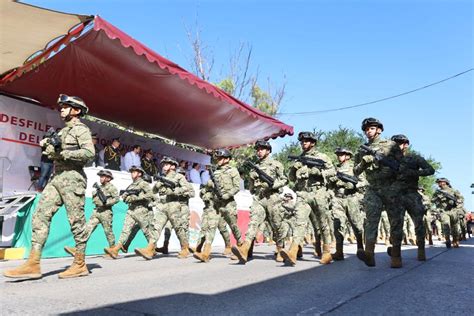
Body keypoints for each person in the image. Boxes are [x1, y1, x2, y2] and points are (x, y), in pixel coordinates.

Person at [4, 94, 94, 280]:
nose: (61, 109)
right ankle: (33, 263)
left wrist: (62, 152)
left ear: (76, 110)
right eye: (60, 106)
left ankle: (80, 263)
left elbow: (88, 154)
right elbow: (54, 152)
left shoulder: (81, 130)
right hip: (57, 177)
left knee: (76, 221)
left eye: (65, 106)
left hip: (73, 178)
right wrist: (48, 146)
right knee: (41, 215)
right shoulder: (62, 132)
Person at [353, 118, 403, 268]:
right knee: (371, 221)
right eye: (367, 129)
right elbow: (355, 171)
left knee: (395, 222)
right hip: (373, 188)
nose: (369, 131)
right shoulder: (362, 149)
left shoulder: (391, 145)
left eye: (372, 128)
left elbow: (402, 165)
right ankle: (369, 254)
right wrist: (364, 163)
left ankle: (396, 255)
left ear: (379, 130)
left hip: (390, 187)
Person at [232, 140, 287, 264]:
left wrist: (273, 185)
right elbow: (251, 189)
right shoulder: (255, 167)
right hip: (259, 198)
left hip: (273, 198)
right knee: (253, 222)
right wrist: (252, 180)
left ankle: (280, 249)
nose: (259, 151)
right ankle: (244, 249)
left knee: (277, 225)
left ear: (268, 151)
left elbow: (284, 179)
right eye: (258, 149)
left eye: (262, 149)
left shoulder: (276, 164)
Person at [288, 131, 336, 265]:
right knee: (299, 222)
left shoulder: (322, 157)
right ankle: (293, 251)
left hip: (318, 193)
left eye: (307, 141)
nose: (304, 143)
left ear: (313, 143)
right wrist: (293, 168)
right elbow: (291, 178)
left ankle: (326, 252)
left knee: (323, 223)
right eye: (302, 141)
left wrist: (320, 173)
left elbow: (333, 172)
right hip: (303, 193)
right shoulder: (299, 159)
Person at [135, 157, 195, 260]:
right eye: (163, 165)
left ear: (172, 166)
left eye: (166, 164)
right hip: (162, 205)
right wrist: (157, 184)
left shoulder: (179, 176)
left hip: (174, 205)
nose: (164, 166)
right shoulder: (162, 177)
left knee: (178, 228)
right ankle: (150, 249)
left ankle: (185, 248)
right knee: (155, 227)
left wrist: (174, 191)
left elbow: (188, 189)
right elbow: (153, 191)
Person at [192, 149, 243, 261]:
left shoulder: (233, 170)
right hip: (216, 204)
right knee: (211, 227)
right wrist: (209, 187)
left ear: (227, 159)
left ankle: (241, 247)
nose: (218, 160)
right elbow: (211, 188)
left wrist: (227, 195)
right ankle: (206, 253)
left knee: (233, 226)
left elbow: (236, 187)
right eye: (218, 158)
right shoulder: (215, 172)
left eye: (221, 158)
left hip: (229, 203)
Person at [104, 166, 156, 259]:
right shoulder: (130, 186)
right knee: (125, 230)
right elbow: (124, 196)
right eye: (131, 172)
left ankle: (151, 248)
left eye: (134, 172)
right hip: (131, 210)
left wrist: (136, 198)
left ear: (139, 173)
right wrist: (127, 197)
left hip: (141, 210)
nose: (132, 173)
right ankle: (116, 249)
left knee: (147, 231)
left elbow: (150, 195)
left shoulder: (143, 184)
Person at [63, 170, 119, 257]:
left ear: (108, 178)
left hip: (106, 212)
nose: (101, 178)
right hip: (96, 211)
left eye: (103, 176)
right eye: (100, 176)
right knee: (87, 229)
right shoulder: (98, 188)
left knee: (108, 232)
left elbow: (116, 199)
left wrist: (106, 202)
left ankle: (113, 250)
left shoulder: (112, 188)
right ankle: (78, 249)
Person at [328, 147, 365, 261]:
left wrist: (354, 185)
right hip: (338, 199)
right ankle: (339, 252)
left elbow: (363, 181)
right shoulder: (335, 169)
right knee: (338, 224)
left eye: (342, 154)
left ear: (348, 156)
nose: (339, 156)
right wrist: (332, 181)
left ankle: (360, 248)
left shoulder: (354, 168)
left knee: (356, 225)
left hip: (351, 198)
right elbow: (329, 185)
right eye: (338, 154)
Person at [431, 178, 464, 248]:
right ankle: (447, 240)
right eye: (438, 182)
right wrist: (438, 198)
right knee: (445, 225)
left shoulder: (453, 191)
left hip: (453, 210)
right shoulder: (437, 192)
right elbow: (432, 200)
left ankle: (455, 240)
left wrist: (458, 206)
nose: (439, 183)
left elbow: (461, 199)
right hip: (444, 211)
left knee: (454, 227)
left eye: (440, 182)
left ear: (445, 182)